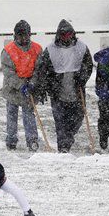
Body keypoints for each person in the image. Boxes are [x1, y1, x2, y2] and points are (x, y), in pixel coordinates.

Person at [31, 19, 93, 153]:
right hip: (57, 92)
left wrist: (82, 77)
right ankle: (63, 147)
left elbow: (88, 65)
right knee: (60, 121)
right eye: (63, 35)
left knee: (78, 118)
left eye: (69, 34)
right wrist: (45, 86)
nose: (66, 37)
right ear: (59, 35)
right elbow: (42, 70)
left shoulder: (81, 47)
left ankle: (68, 138)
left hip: (76, 90)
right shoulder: (50, 50)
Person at [1, 20, 42, 152]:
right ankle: (11, 140)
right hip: (12, 89)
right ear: (15, 36)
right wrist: (21, 85)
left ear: (30, 35)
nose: (23, 38)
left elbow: (39, 69)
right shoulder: (8, 51)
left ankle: (32, 140)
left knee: (29, 115)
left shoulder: (37, 49)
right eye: (20, 35)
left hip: (29, 87)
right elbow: (9, 73)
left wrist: (32, 83)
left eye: (26, 35)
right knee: (12, 115)